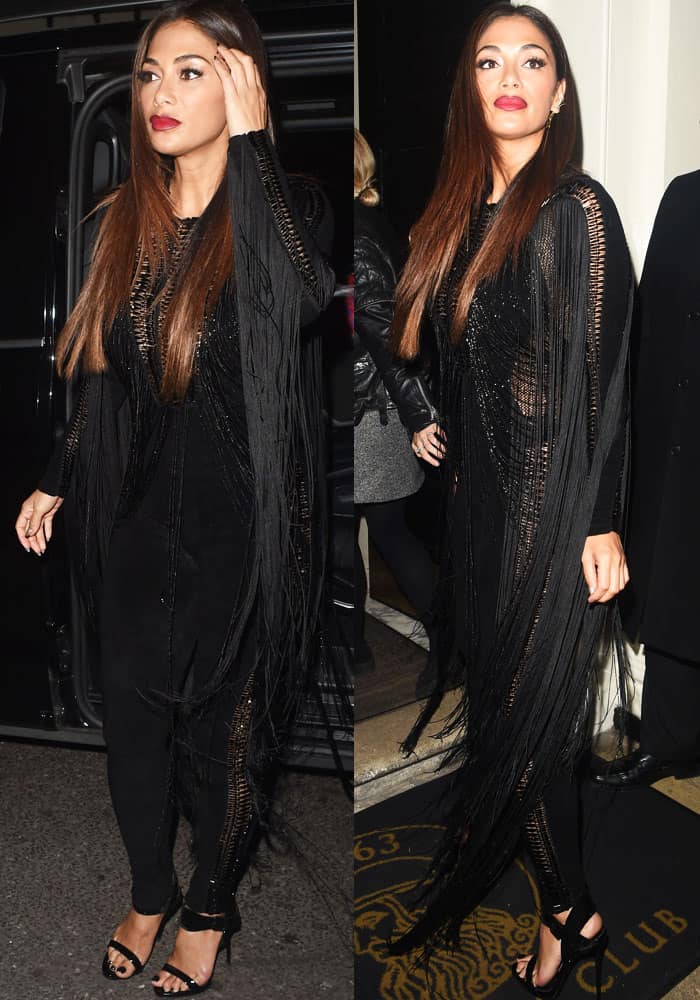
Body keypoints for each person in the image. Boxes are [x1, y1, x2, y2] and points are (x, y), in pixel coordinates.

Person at [14, 2, 335, 995]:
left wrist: (253, 148)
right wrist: (58, 474)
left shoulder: (288, 204)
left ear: (242, 82)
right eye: (151, 72)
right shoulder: (126, 223)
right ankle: (150, 890)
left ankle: (208, 906)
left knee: (223, 745)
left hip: (247, 532)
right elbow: (103, 377)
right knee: (135, 735)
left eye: (191, 72)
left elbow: (301, 298)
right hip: (139, 521)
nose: (159, 92)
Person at [386, 5, 632, 997]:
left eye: (533, 61)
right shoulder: (454, 215)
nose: (511, 77)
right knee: (505, 718)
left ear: (558, 92)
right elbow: (425, 348)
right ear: (470, 88)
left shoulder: (575, 208)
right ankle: (563, 892)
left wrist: (603, 520)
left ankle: (569, 910)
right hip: (479, 509)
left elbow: (606, 378)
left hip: (553, 512)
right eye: (490, 61)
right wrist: (423, 415)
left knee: (524, 733)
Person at [593, 173, 700, 789]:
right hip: (672, 433)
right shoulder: (684, 196)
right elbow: (648, 314)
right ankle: (668, 741)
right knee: (671, 593)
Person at [352, 128, 441, 691]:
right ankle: (352, 641)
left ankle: (448, 640)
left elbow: (386, 335)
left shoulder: (359, 239)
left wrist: (419, 414)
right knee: (357, 536)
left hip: (372, 414)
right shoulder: (369, 223)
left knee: (387, 535)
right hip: (368, 408)